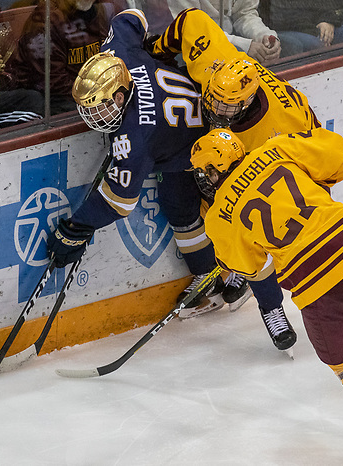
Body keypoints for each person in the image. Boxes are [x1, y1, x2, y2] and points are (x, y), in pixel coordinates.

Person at [190, 126, 343, 456]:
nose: (202, 178)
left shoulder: (219, 215)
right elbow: (342, 158)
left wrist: (231, 250)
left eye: (204, 171)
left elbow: (252, 269)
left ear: (215, 169)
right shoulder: (274, 149)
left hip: (321, 282)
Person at [45, 9, 252, 321]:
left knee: (210, 208)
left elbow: (118, 201)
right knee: (179, 207)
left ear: (118, 96)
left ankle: (243, 269)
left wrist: (79, 226)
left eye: (99, 108)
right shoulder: (117, 54)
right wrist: (155, 49)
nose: (92, 117)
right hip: (184, 127)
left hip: (200, 147)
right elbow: (132, 17)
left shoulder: (136, 136)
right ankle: (209, 276)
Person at [149, 7, 323, 348]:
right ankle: (216, 273)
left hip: (254, 163)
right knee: (179, 194)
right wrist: (156, 53)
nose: (216, 109)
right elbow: (191, 20)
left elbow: (318, 162)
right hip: (212, 145)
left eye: (226, 107)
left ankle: (271, 307)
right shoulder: (220, 64)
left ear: (246, 103)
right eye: (214, 99)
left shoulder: (278, 132)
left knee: (247, 232)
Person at [8, 0, 126, 115]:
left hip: (90, 93)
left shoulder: (107, 10)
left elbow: (121, 56)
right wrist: (96, 98)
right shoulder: (46, 21)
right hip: (54, 100)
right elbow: (53, 81)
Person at [166, 0, 281, 66]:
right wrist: (245, 45)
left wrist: (264, 36)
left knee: (297, 43)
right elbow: (191, 28)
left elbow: (245, 14)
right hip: (188, 49)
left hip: (231, 39)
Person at [260, 0, 343, 57]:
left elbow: (337, 5)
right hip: (284, 28)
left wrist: (327, 20)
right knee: (316, 44)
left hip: (315, 22)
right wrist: (313, 28)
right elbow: (274, 17)